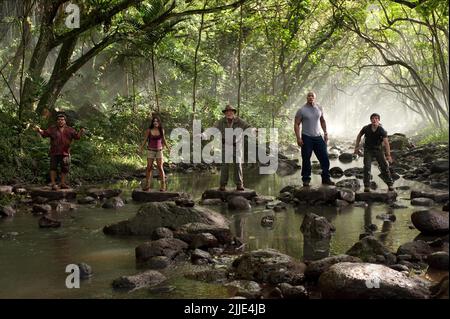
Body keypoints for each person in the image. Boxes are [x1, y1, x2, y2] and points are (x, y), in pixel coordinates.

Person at [34, 113, 85, 190]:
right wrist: (39, 130)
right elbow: (44, 134)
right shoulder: (52, 129)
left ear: (65, 121)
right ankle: (53, 184)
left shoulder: (70, 129)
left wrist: (81, 132)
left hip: (65, 152)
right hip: (54, 152)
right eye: (59, 120)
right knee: (53, 168)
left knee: (65, 168)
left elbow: (77, 137)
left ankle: (62, 183)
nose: (60, 121)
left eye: (62, 120)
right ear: (56, 121)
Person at [294, 91, 334, 187]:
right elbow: (296, 124)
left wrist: (325, 133)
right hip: (306, 137)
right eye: (309, 96)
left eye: (312, 96)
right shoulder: (301, 110)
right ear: (306, 98)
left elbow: (322, 121)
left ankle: (326, 178)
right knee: (306, 159)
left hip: (318, 137)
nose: (310, 97)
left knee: (324, 158)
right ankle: (306, 179)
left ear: (315, 98)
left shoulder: (319, 108)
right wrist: (298, 138)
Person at [214, 104, 252, 191]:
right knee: (224, 166)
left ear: (233, 112)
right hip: (225, 146)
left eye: (231, 111)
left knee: (238, 165)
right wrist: (203, 135)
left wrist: (253, 130)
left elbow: (248, 127)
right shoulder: (221, 122)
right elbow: (213, 129)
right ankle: (222, 185)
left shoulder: (239, 121)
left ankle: (239, 184)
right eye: (227, 111)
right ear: (225, 113)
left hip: (237, 146)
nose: (229, 113)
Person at [354, 113, 394, 192]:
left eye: (376, 118)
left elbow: (386, 143)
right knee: (367, 167)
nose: (374, 120)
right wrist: (356, 147)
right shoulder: (366, 128)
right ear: (371, 120)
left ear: (379, 120)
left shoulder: (381, 130)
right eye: (373, 118)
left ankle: (390, 184)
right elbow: (359, 135)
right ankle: (367, 186)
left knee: (384, 166)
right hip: (368, 150)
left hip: (378, 150)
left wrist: (388, 155)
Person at [139, 116, 169, 192]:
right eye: (154, 121)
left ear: (159, 122)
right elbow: (145, 140)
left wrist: (168, 148)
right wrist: (141, 148)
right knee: (149, 167)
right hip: (150, 150)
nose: (155, 122)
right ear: (152, 123)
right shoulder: (149, 130)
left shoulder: (161, 130)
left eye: (157, 121)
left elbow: (164, 140)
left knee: (160, 167)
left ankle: (163, 186)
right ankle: (147, 185)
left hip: (159, 151)